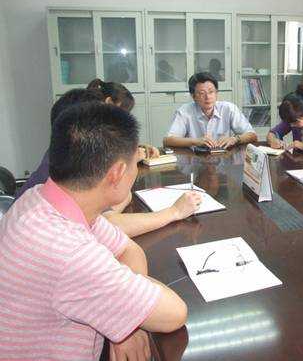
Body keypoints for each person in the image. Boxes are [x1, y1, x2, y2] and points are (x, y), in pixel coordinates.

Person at [0, 102, 188, 360]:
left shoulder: (42, 198)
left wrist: (124, 317)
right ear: (117, 173)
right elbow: (174, 313)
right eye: (135, 162)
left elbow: (128, 249)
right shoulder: (70, 253)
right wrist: (127, 308)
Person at [16, 87, 202, 238]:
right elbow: (110, 223)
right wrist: (174, 212)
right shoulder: (63, 234)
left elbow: (109, 212)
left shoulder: (62, 159)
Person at [164, 72, 257, 149]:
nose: (207, 97)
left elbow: (252, 135)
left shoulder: (228, 108)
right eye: (202, 93)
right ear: (193, 96)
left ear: (216, 93)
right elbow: (168, 140)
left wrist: (235, 139)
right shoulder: (184, 111)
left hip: (223, 160)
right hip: (194, 160)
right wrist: (196, 141)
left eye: (211, 92)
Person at [87, 78, 159, 159]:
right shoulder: (88, 125)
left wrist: (141, 149)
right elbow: (101, 159)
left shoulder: (102, 121)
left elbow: (113, 147)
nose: (123, 118)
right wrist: (134, 156)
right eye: (122, 112)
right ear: (109, 102)